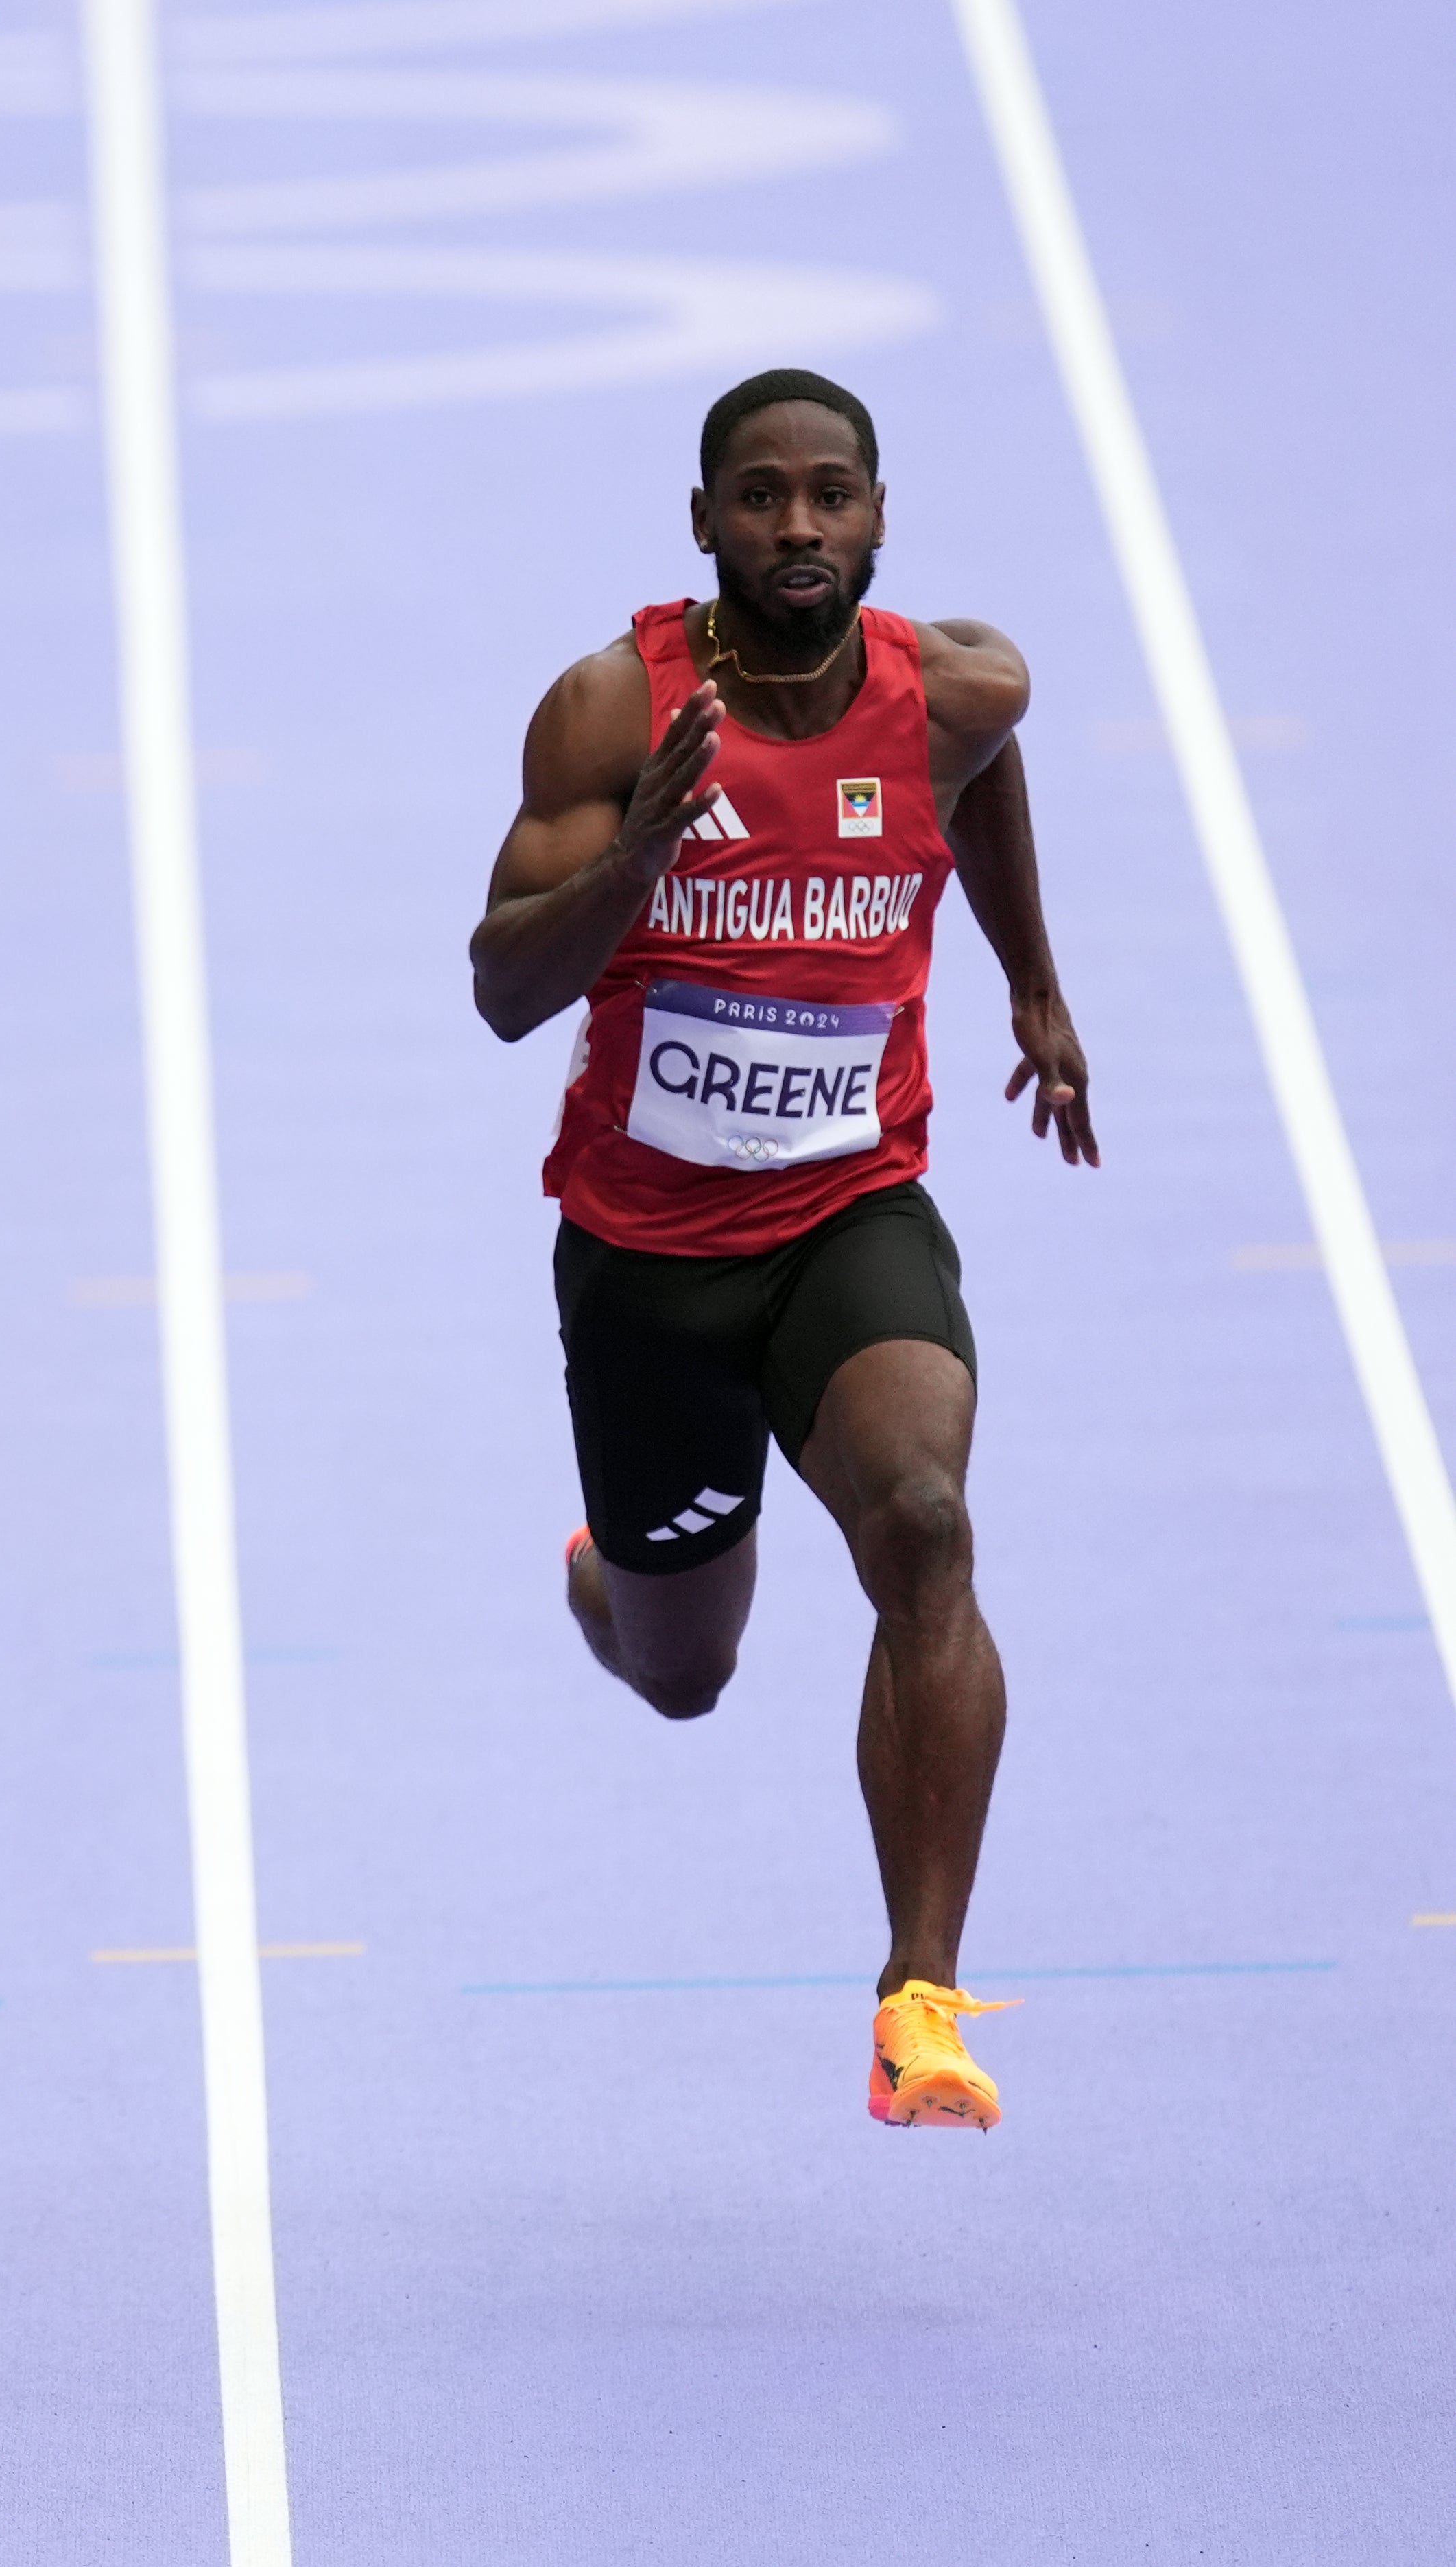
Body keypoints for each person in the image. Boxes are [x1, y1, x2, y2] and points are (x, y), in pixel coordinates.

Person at [471, 368, 1095, 2131]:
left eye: (830, 495)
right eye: (760, 497)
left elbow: (977, 772)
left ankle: (920, 1996)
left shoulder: (954, 688)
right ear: (703, 523)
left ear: (879, 517)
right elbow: (503, 990)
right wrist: (641, 856)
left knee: (924, 1519)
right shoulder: (611, 711)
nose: (797, 527)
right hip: (646, 1259)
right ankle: (613, 1570)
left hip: (847, 1210)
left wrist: (1032, 985)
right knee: (684, 1672)